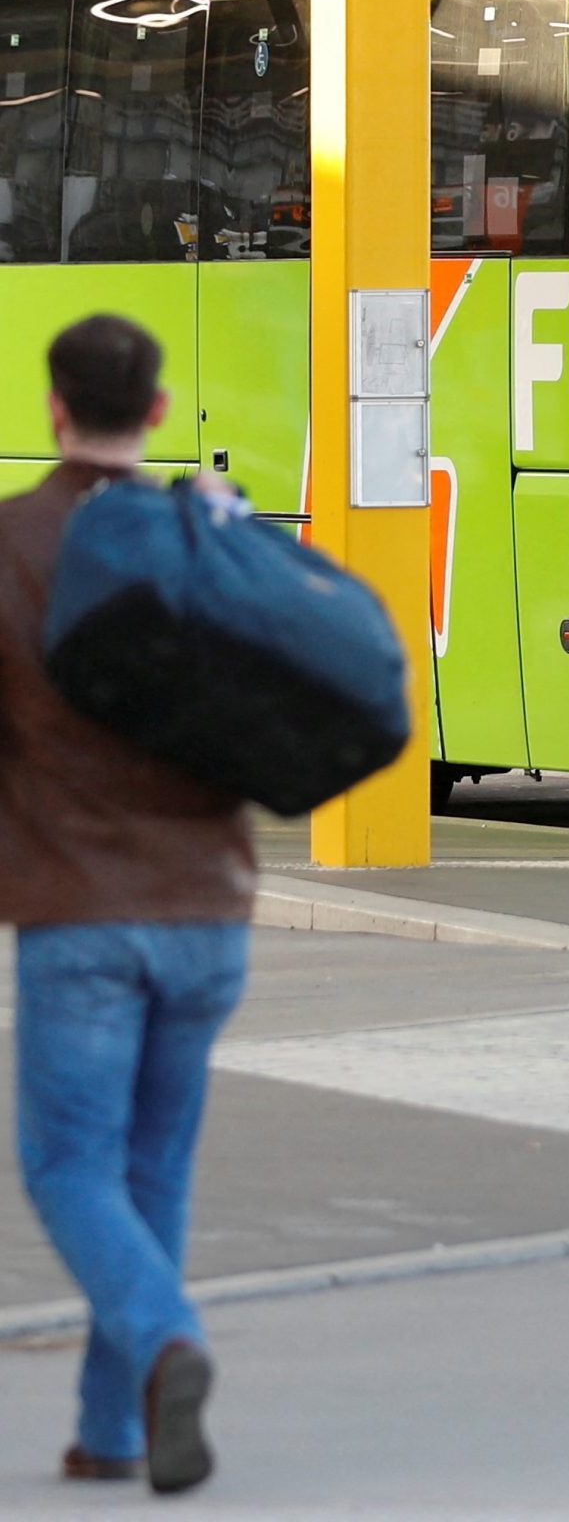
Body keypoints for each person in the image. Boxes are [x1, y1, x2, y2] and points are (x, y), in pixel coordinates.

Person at [0, 315, 253, 1494]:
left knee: (68, 1166)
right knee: (153, 1171)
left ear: (56, 407)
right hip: (210, 909)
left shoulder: (14, 543)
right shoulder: (204, 533)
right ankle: (114, 1433)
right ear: (155, 412)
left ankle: (167, 1338)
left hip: (82, 913)